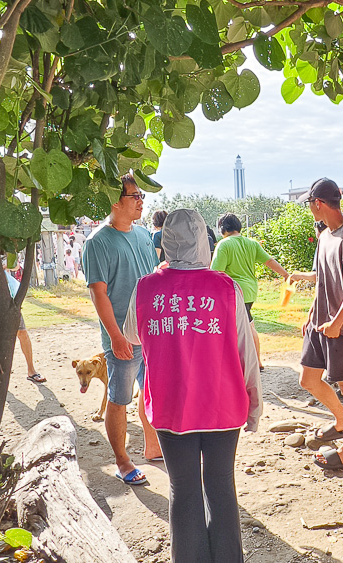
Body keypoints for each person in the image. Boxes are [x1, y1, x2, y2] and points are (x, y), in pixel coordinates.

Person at [125, 209, 261, 563]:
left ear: (165, 242)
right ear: (204, 240)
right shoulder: (225, 288)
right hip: (224, 407)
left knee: (182, 489)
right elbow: (246, 351)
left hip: (172, 409)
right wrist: (255, 403)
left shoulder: (146, 289)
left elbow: (131, 334)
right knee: (220, 486)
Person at [83, 173, 162, 485]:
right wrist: (115, 336)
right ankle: (123, 461)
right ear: (115, 201)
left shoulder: (143, 236)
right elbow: (98, 293)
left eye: (142, 195)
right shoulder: (97, 242)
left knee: (153, 391)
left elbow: (151, 275)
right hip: (123, 338)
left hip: (153, 331)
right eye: (135, 196)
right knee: (120, 398)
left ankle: (153, 446)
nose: (141, 201)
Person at [288, 178, 343, 471]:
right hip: (321, 323)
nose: (310, 209)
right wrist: (311, 315)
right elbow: (322, 279)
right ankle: (340, 419)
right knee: (308, 379)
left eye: (310, 204)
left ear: (318, 204)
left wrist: (336, 323)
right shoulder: (325, 237)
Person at [211, 212, 290, 370]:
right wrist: (286, 274)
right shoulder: (251, 243)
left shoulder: (224, 245)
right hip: (250, 291)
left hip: (235, 293)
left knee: (247, 326)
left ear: (222, 229)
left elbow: (215, 272)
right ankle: (253, 361)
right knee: (246, 325)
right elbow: (269, 260)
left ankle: (256, 363)